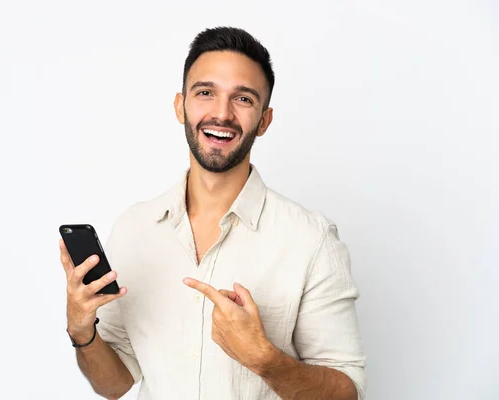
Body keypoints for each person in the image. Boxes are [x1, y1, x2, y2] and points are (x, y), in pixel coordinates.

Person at [60, 26, 366, 400]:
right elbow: (115, 383)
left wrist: (264, 358)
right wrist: (81, 330)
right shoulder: (134, 229)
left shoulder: (311, 240)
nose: (221, 113)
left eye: (243, 99)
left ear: (265, 120)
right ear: (180, 105)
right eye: (206, 93)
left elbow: (349, 394)